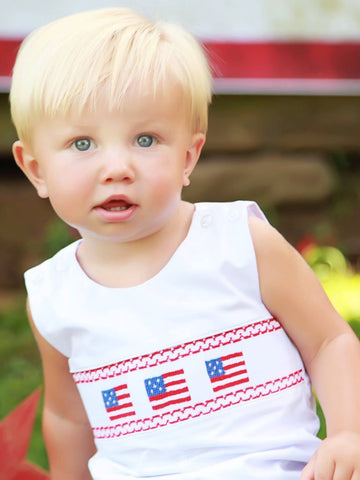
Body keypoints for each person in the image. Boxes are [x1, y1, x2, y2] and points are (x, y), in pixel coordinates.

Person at [9, 7, 360, 480]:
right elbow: (69, 417)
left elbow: (329, 341)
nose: (117, 167)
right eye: (83, 144)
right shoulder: (55, 296)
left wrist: (348, 433)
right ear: (36, 170)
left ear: (188, 156)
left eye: (146, 139)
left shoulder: (239, 243)